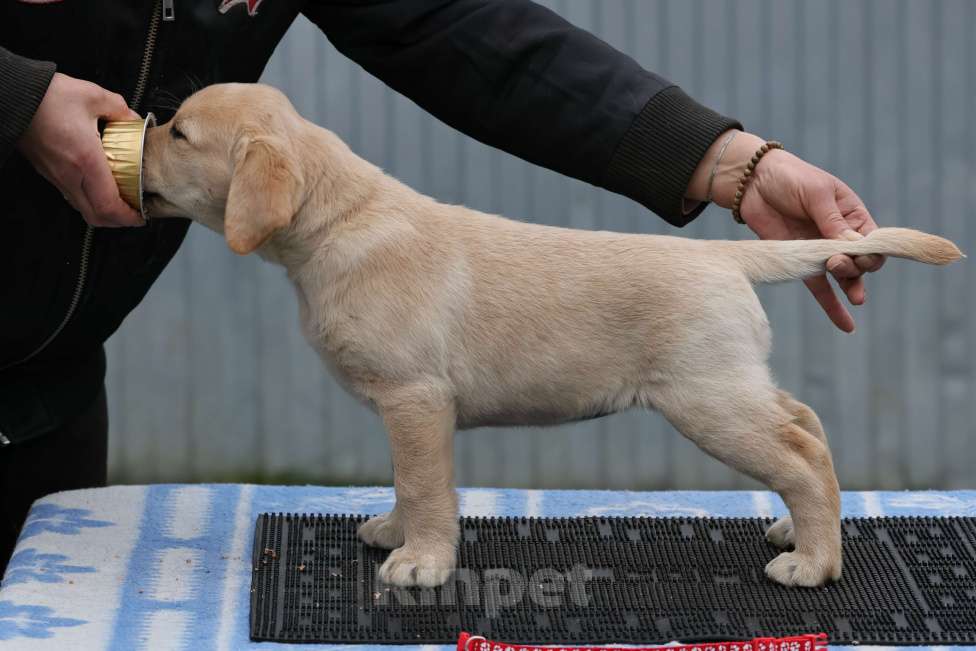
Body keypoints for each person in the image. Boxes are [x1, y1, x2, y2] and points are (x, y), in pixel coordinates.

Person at [0, 0, 883, 574]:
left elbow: (457, 28)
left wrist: (723, 161)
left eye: (178, 136)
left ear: (264, 195)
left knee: (744, 420)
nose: (152, 137)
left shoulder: (351, 255)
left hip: (54, 390)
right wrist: (19, 98)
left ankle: (812, 504)